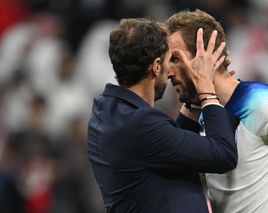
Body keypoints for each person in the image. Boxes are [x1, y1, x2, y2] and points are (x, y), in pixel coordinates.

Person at [165, 9, 268, 213]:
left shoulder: (262, 102)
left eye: (176, 59)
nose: (168, 71)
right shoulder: (202, 114)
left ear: (205, 58)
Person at [87, 18, 239, 213]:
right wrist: (206, 90)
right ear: (157, 65)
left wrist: (193, 94)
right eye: (171, 60)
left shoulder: (107, 111)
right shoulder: (141, 124)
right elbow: (223, 154)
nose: (171, 72)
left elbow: (170, 145)